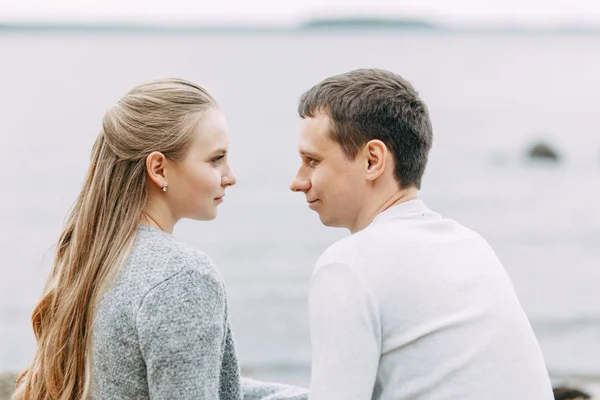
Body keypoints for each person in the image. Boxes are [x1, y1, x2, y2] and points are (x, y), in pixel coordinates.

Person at [14, 78, 307, 400]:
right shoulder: (182, 277)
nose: (230, 176)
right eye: (216, 159)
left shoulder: (97, 259)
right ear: (159, 169)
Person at [290, 68, 554, 399]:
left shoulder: (347, 266)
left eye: (312, 161)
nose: (298, 182)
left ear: (373, 160)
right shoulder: (471, 245)